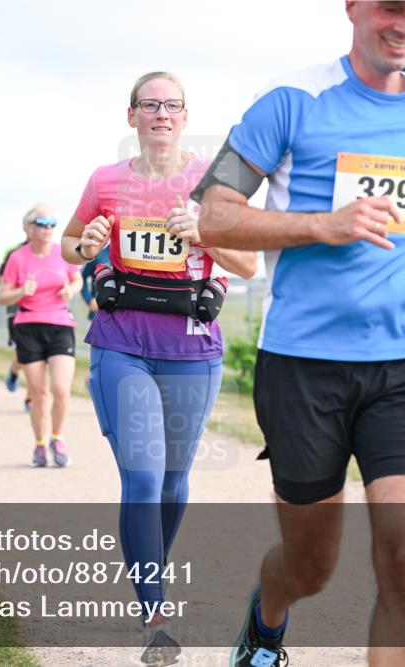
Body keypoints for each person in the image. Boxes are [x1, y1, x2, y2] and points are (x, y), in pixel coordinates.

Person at [191, 2, 405, 665]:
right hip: (302, 366)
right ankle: (268, 615)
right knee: (311, 563)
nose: (404, 24)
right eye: (389, 8)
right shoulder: (289, 103)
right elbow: (213, 216)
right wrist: (322, 223)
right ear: (353, 7)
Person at [60, 71, 257, 665]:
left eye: (172, 105)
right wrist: (89, 243)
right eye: (151, 105)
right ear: (132, 116)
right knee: (142, 476)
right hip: (122, 341)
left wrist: (205, 232)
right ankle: (155, 613)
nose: (162, 114)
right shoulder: (105, 180)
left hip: (192, 346)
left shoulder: (213, 178)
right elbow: (71, 246)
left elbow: (247, 264)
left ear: (185, 114)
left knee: (172, 481)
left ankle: (149, 565)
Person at [1, 204, 83, 467]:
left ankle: (57, 438)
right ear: (30, 227)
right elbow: (3, 296)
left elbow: (78, 279)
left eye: (52, 224)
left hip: (60, 324)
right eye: (42, 223)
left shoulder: (62, 253)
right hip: (28, 326)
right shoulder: (17, 258)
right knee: (39, 394)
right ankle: (39, 444)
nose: (48, 228)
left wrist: (71, 288)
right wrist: (21, 291)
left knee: (60, 388)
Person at [0, 220, 33, 410]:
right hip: (17, 308)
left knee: (40, 355)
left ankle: (31, 397)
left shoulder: (52, 252)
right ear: (26, 227)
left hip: (44, 310)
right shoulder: (13, 252)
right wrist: (21, 290)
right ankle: (14, 370)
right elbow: (2, 280)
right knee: (23, 352)